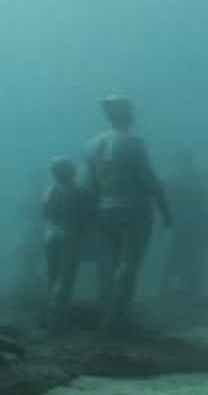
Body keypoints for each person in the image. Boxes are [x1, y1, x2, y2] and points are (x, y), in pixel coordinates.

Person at [84, 96, 172, 331]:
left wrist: (95, 211)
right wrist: (164, 207)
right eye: (131, 111)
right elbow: (147, 177)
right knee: (130, 261)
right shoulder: (132, 141)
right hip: (133, 207)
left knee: (114, 262)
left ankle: (116, 311)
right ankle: (115, 317)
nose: (134, 114)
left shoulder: (92, 143)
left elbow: (91, 183)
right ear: (123, 113)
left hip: (105, 207)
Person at [41, 157, 90, 331]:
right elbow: (85, 218)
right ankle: (60, 320)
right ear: (71, 171)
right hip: (70, 233)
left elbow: (45, 215)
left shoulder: (48, 191)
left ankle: (50, 318)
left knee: (51, 275)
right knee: (65, 277)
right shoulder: (79, 191)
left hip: (49, 234)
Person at [159, 149, 205, 301]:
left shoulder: (170, 179)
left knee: (187, 255)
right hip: (186, 222)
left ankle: (184, 288)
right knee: (181, 255)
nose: (184, 163)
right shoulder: (172, 179)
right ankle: (171, 288)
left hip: (191, 222)